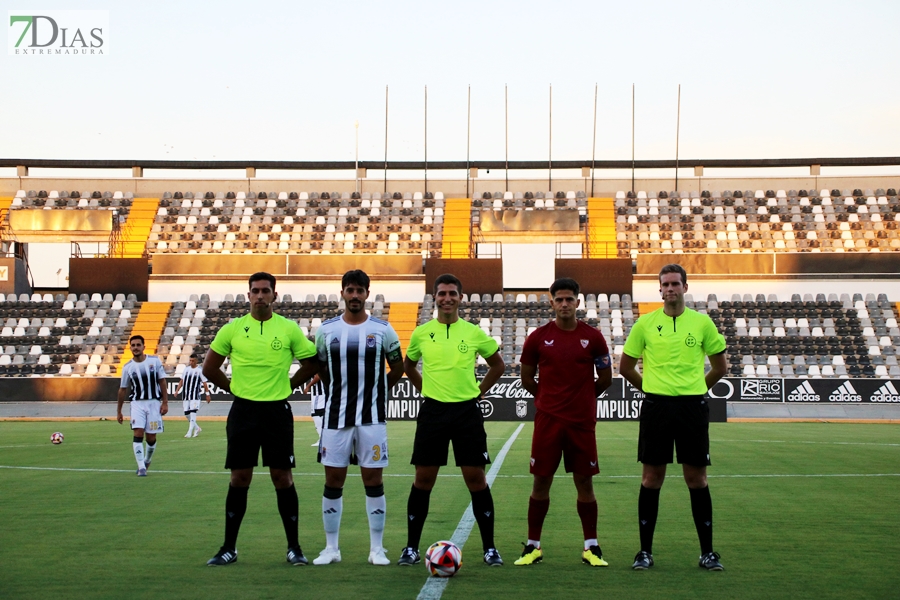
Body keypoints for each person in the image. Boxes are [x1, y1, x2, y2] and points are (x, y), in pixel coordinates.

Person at [202, 272, 319, 567]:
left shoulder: (289, 329)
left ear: (274, 296)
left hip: (276, 411)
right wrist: (233, 389)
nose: (260, 296)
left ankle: (294, 548)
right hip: (243, 411)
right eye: (255, 291)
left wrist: (289, 386)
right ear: (248, 295)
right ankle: (229, 547)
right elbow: (209, 368)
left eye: (265, 291)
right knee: (239, 477)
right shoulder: (233, 329)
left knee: (282, 477)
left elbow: (312, 363)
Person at [618, 264, 728, 571]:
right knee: (651, 479)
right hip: (657, 408)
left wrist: (695, 389)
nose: (670, 289)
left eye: (675, 284)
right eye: (665, 284)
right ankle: (644, 552)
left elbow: (720, 367)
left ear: (685, 287)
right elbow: (625, 367)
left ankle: (707, 552)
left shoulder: (702, 323)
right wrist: (651, 390)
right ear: (659, 289)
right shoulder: (645, 324)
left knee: (697, 479)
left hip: (692, 409)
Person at [399, 273, 506, 567]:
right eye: (442, 293)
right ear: (435, 297)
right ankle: (410, 548)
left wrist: (478, 393)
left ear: (460, 298)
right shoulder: (422, 333)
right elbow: (409, 365)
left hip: (466, 413)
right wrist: (425, 390)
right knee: (423, 480)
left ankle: (490, 548)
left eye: (452, 294)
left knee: (476, 478)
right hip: (433, 412)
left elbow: (498, 365)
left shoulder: (473, 333)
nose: (447, 298)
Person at [514, 278, 613, 567]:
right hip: (548, 421)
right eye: (560, 299)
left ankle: (591, 547)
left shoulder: (593, 337)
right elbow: (526, 379)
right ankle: (533, 546)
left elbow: (605, 379)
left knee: (584, 482)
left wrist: (581, 399)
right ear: (551, 302)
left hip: (581, 422)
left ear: (578, 302)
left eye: (570, 299)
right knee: (541, 480)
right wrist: (549, 400)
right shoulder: (537, 338)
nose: (565, 304)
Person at [310, 270, 404, 567]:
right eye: (349, 290)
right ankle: (331, 548)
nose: (354, 295)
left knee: (373, 479)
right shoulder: (326, 330)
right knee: (333, 479)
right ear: (342, 293)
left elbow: (398, 367)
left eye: (359, 291)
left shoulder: (383, 329)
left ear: (367, 294)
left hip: (372, 418)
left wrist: (379, 390)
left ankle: (377, 549)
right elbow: (321, 367)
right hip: (336, 417)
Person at [117, 335, 169, 477]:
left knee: (151, 437)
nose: (135, 348)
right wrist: (119, 411)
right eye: (133, 345)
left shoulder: (154, 361)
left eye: (138, 345)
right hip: (137, 404)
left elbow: (162, 382)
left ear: (143, 346)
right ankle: (141, 467)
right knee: (138, 432)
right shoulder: (128, 367)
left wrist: (165, 402)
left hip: (153, 403)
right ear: (130, 348)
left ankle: (147, 460)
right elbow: (123, 389)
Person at [175, 353, 211, 438]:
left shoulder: (199, 370)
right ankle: (197, 428)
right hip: (186, 395)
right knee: (187, 413)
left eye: (193, 361)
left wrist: (207, 394)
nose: (191, 362)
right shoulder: (186, 369)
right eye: (190, 360)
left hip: (195, 396)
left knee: (193, 412)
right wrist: (177, 390)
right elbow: (182, 381)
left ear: (196, 361)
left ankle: (189, 432)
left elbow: (204, 383)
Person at [304, 373, 326, 446]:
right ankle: (323, 438)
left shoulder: (317, 364)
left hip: (318, 394)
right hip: (319, 394)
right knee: (320, 414)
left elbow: (318, 376)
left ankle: (322, 438)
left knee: (316, 414)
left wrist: (308, 386)